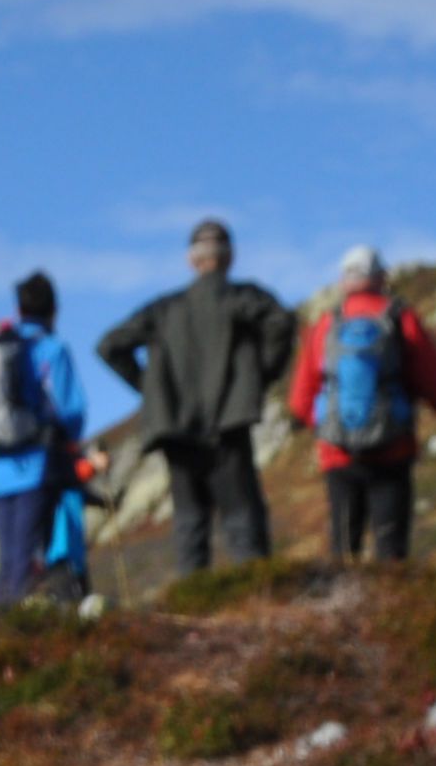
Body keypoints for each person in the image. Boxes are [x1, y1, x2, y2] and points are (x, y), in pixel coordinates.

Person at [96, 219, 298, 575]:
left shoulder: (165, 310)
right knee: (243, 522)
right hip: (229, 426)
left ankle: (191, 609)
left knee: (190, 525)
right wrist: (258, 376)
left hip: (178, 433)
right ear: (230, 256)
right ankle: (257, 604)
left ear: (192, 259)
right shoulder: (242, 299)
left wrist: (151, 391)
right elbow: (281, 323)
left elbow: (110, 346)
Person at [288, 245, 436, 563]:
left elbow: (301, 399)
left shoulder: (327, 324)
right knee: (390, 547)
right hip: (392, 448)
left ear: (345, 281)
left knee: (343, 547)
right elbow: (435, 383)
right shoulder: (400, 318)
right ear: (381, 277)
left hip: (337, 453)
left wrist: (324, 424)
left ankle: (338, 609)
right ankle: (393, 608)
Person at [0, 272, 89, 607]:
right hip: (39, 468)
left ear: (18, 307)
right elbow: (72, 410)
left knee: (10, 558)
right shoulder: (51, 349)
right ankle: (20, 633)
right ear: (54, 308)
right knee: (33, 556)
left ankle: (2, 632)